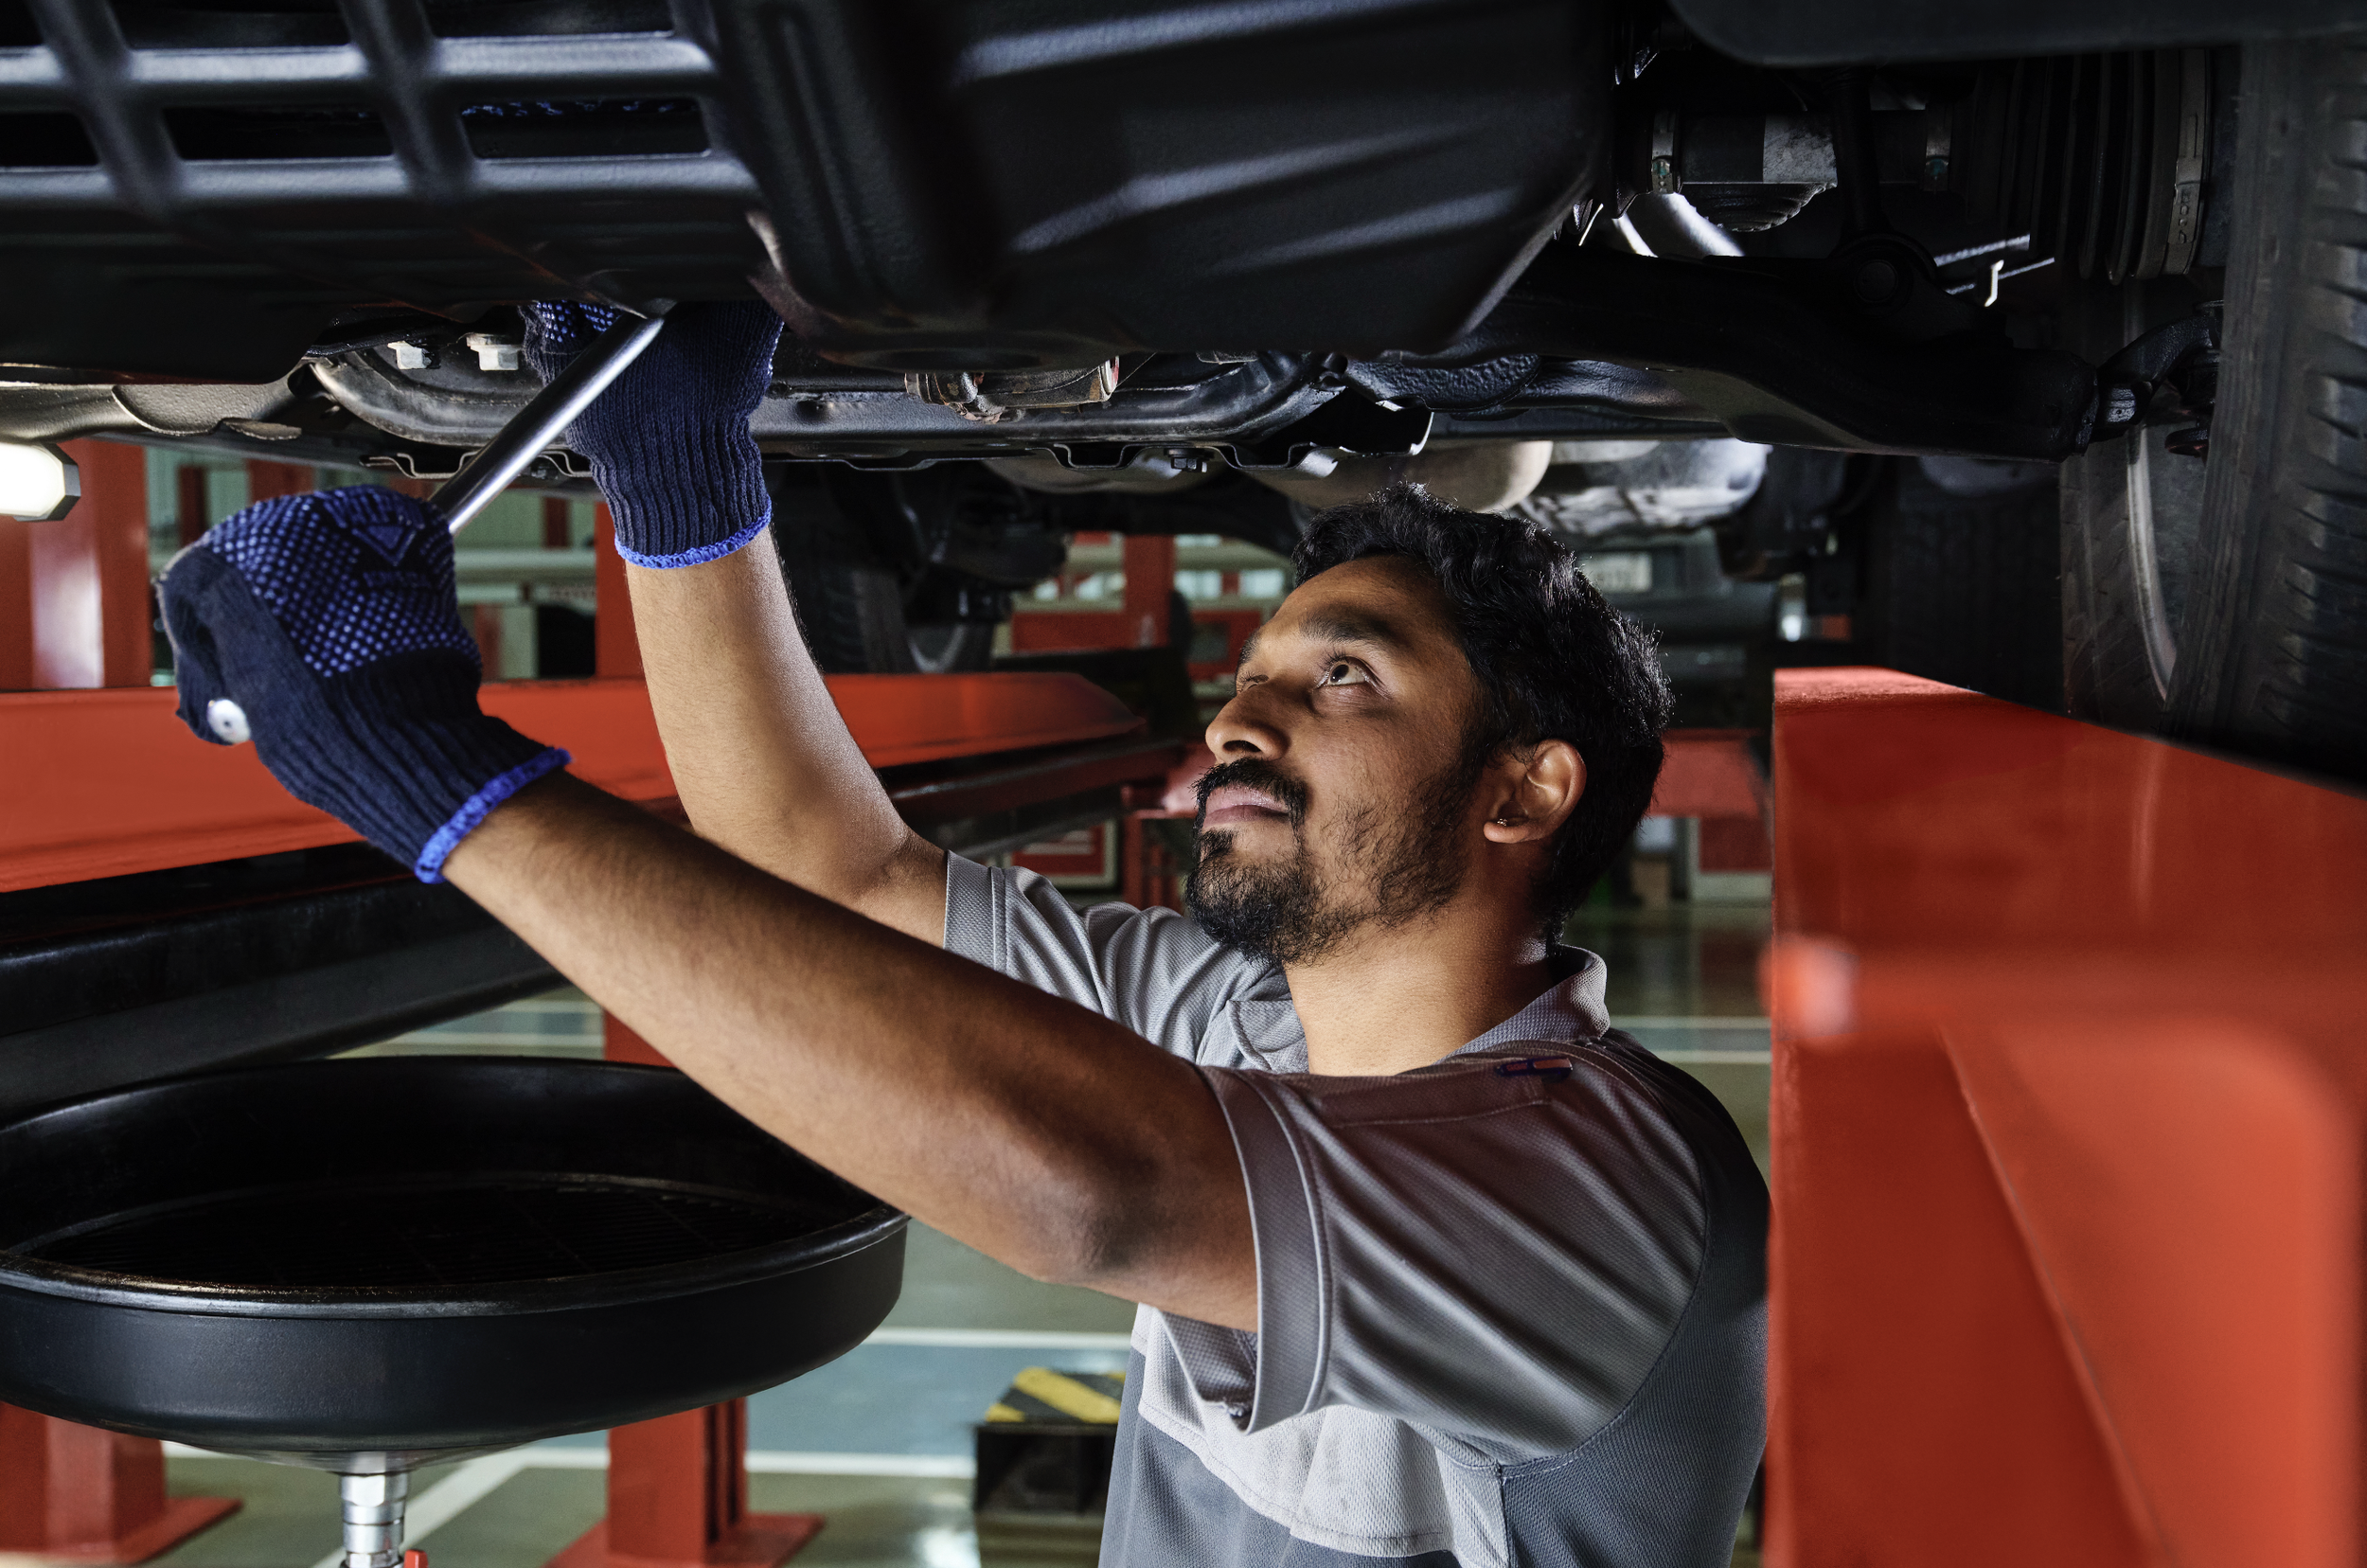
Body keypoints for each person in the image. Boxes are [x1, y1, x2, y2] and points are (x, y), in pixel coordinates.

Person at [157, 302, 1766, 1568]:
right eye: (1252, 677)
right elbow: (830, 872)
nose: (1237, 725)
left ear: (1520, 794)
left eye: (1341, 678)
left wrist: (442, 786)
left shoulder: (1606, 1178)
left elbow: (1105, 1193)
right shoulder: (1236, 1024)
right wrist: (678, 475)